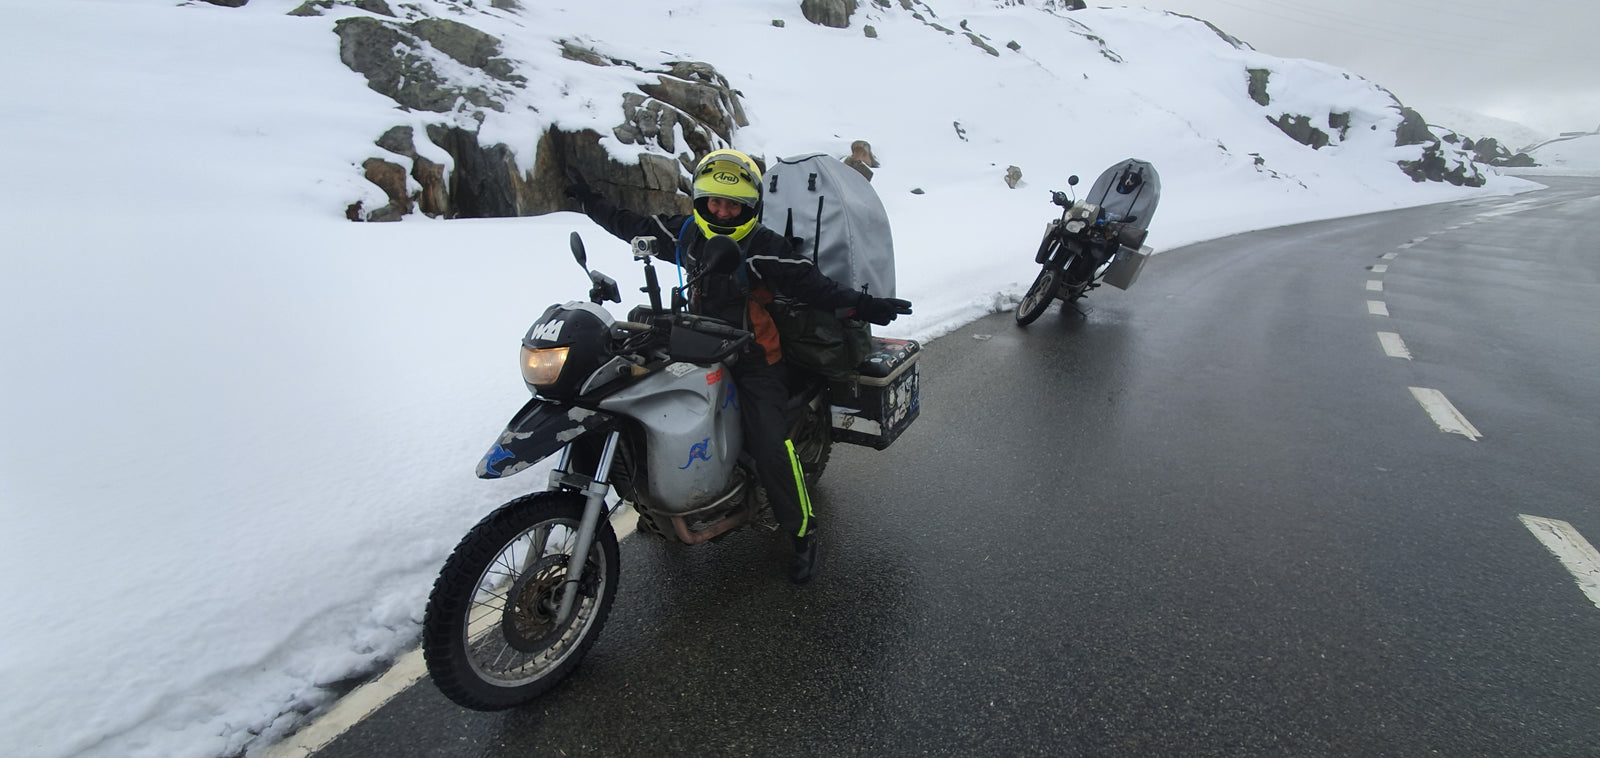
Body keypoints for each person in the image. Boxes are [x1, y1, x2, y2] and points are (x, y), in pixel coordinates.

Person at [564, 149, 911, 584]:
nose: (722, 212)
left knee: (770, 444)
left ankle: (802, 531)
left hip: (753, 358)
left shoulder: (764, 247)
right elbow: (629, 223)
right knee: (636, 403)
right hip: (693, 344)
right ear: (701, 201)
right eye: (714, 203)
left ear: (750, 208)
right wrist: (587, 199)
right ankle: (663, 499)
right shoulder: (688, 232)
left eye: (733, 206)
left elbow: (812, 284)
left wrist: (867, 305)